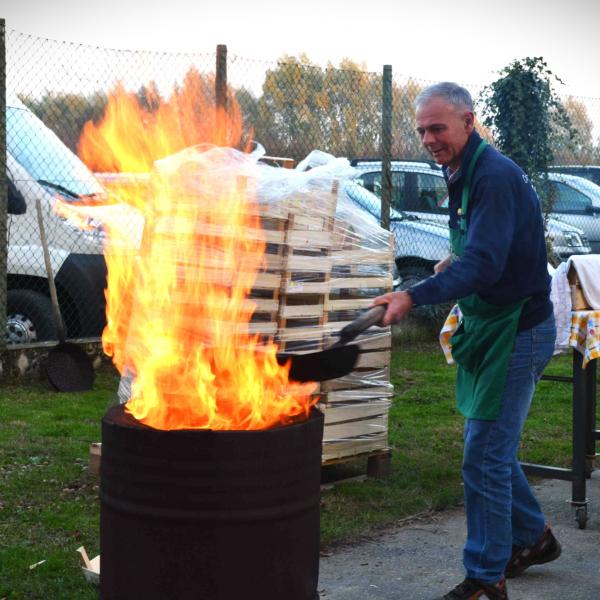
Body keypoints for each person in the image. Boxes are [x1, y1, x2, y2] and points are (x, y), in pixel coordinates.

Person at [373, 82, 561, 600]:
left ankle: (486, 576)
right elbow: (485, 244)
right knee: (490, 449)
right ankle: (534, 538)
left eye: (438, 127)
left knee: (483, 454)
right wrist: (452, 261)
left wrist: (413, 296)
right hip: (490, 323)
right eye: (422, 130)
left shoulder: (494, 176)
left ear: (468, 121)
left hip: (518, 329)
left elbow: (486, 262)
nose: (429, 139)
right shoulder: (458, 168)